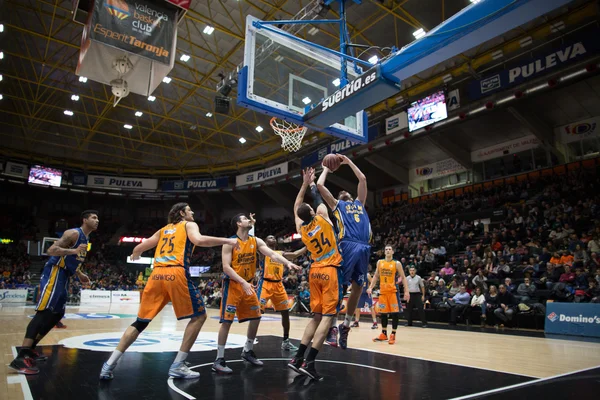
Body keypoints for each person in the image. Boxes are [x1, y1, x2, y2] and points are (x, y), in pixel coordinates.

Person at [99, 203, 237, 380]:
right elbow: (199, 241)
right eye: (189, 210)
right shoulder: (188, 225)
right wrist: (227, 240)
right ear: (182, 213)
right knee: (199, 316)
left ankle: (108, 365)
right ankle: (178, 365)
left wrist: (136, 253)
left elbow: (140, 246)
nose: (193, 212)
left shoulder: (163, 230)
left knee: (140, 322)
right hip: (176, 272)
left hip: (156, 275)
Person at [9, 210, 97, 375]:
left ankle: (30, 350)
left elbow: (73, 260)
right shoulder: (73, 233)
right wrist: (73, 251)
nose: (97, 220)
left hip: (65, 276)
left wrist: (80, 274)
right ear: (84, 220)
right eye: (93, 217)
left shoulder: (87, 238)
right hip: (55, 272)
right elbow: (51, 250)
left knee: (57, 314)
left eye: (97, 218)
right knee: (44, 312)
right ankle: (21, 356)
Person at [212, 213, 301, 374]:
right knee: (227, 322)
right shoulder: (229, 243)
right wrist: (243, 282)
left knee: (256, 317)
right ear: (239, 223)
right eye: (245, 218)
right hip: (233, 285)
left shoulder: (256, 241)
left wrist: (288, 263)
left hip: (249, 284)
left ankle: (247, 350)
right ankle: (219, 359)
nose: (249, 220)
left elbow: (273, 254)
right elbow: (226, 267)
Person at [288, 168, 343, 381]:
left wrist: (303, 185)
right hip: (330, 271)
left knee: (316, 317)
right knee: (327, 319)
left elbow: (296, 207)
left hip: (314, 273)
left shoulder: (301, 229)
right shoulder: (322, 218)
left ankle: (298, 358)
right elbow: (319, 197)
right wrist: (311, 184)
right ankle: (310, 363)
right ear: (312, 211)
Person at [317, 154, 371, 350]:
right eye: (340, 194)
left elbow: (363, 179)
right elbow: (321, 187)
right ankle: (331, 326)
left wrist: (348, 162)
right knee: (340, 287)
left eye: (346, 193)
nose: (343, 193)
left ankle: (346, 325)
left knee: (358, 287)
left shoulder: (359, 204)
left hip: (364, 246)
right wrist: (326, 168)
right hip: (347, 245)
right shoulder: (337, 206)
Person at [258, 234, 306, 351]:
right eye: (269, 237)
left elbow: (295, 254)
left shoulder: (280, 253)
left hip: (278, 285)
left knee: (285, 313)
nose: (272, 238)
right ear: (264, 241)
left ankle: (286, 341)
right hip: (265, 284)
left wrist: (308, 246)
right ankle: (249, 343)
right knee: (257, 313)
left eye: (274, 237)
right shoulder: (262, 252)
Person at [368, 245, 410, 345]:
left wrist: (407, 291)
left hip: (393, 292)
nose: (387, 251)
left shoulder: (397, 263)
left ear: (393, 252)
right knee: (383, 313)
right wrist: (370, 287)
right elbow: (376, 276)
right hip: (383, 292)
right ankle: (384, 333)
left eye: (389, 249)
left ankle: (393, 334)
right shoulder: (380, 262)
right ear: (384, 252)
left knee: (395, 313)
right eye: (386, 249)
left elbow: (403, 277)